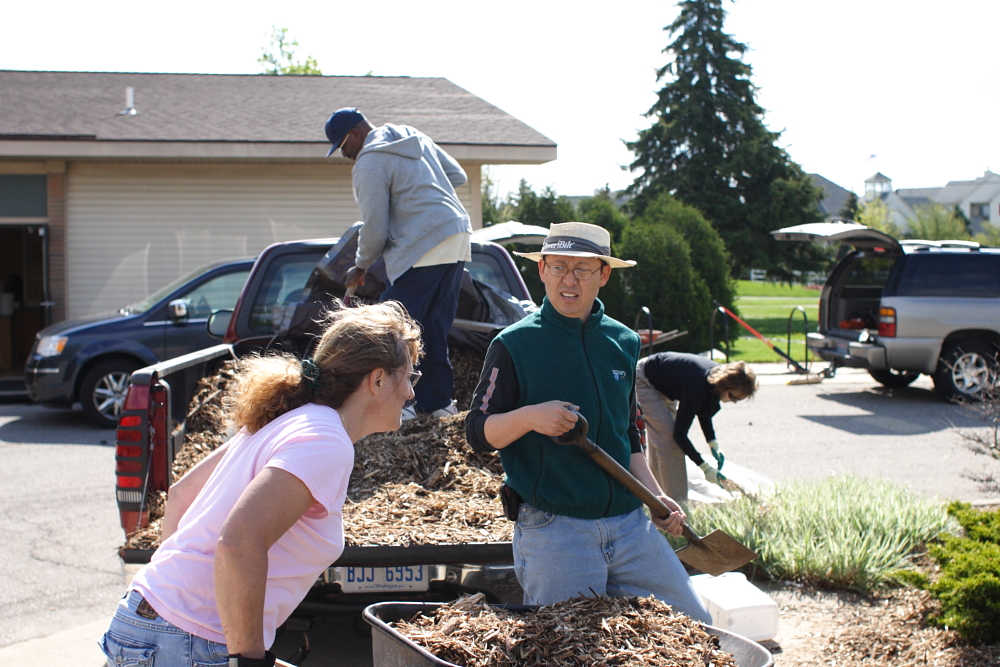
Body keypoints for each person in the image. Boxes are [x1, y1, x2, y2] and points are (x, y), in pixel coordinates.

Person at [99, 302, 422, 667]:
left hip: (150, 620)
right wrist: (248, 659)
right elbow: (239, 541)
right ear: (377, 380)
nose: (411, 393)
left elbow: (181, 495)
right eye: (409, 377)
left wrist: (170, 597)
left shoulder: (290, 420)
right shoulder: (325, 440)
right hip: (186, 638)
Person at [464, 222, 710, 622]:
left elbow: (626, 432)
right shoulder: (514, 345)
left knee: (696, 628)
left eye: (583, 269)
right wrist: (530, 418)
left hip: (630, 526)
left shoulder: (623, 342)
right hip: (555, 529)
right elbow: (477, 431)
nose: (569, 280)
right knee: (564, 643)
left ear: (604, 274)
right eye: (559, 267)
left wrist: (655, 495)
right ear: (542, 270)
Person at [324, 107, 472, 420]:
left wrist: (361, 265)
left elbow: (375, 228)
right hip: (456, 235)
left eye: (343, 146)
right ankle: (437, 404)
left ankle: (399, 406)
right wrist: (421, 193)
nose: (344, 154)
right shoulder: (412, 136)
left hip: (423, 243)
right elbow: (458, 175)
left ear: (356, 134)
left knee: (392, 332)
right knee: (431, 328)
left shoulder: (369, 162)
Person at [636, 352, 758, 504]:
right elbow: (679, 435)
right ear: (726, 384)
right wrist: (703, 466)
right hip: (644, 380)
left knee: (661, 443)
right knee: (669, 443)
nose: (733, 402)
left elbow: (703, 412)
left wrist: (712, 443)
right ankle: (677, 505)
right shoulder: (698, 386)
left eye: (737, 400)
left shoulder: (714, 381)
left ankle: (656, 499)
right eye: (733, 397)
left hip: (663, 385)